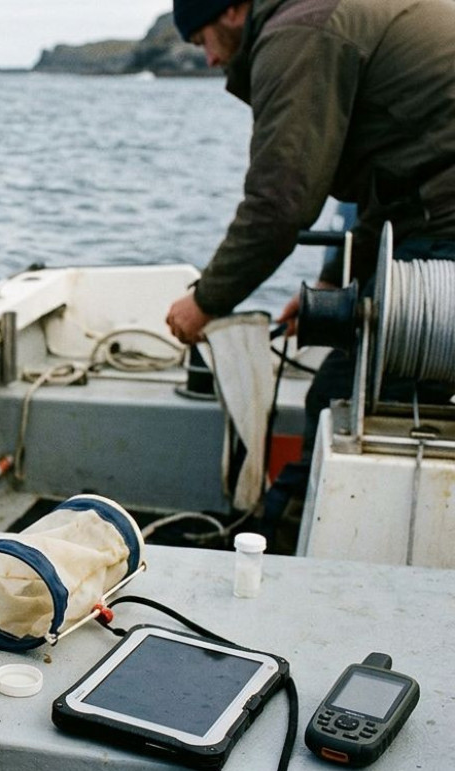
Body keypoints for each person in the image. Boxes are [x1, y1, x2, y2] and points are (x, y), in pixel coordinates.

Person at [164, 0, 455, 546]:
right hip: (430, 211)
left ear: (231, 10)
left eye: (201, 39)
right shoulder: (325, 11)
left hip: (444, 225)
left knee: (341, 404)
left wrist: (205, 301)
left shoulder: (300, 32)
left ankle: (281, 557)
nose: (206, 60)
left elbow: (279, 203)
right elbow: (392, 186)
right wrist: (330, 285)